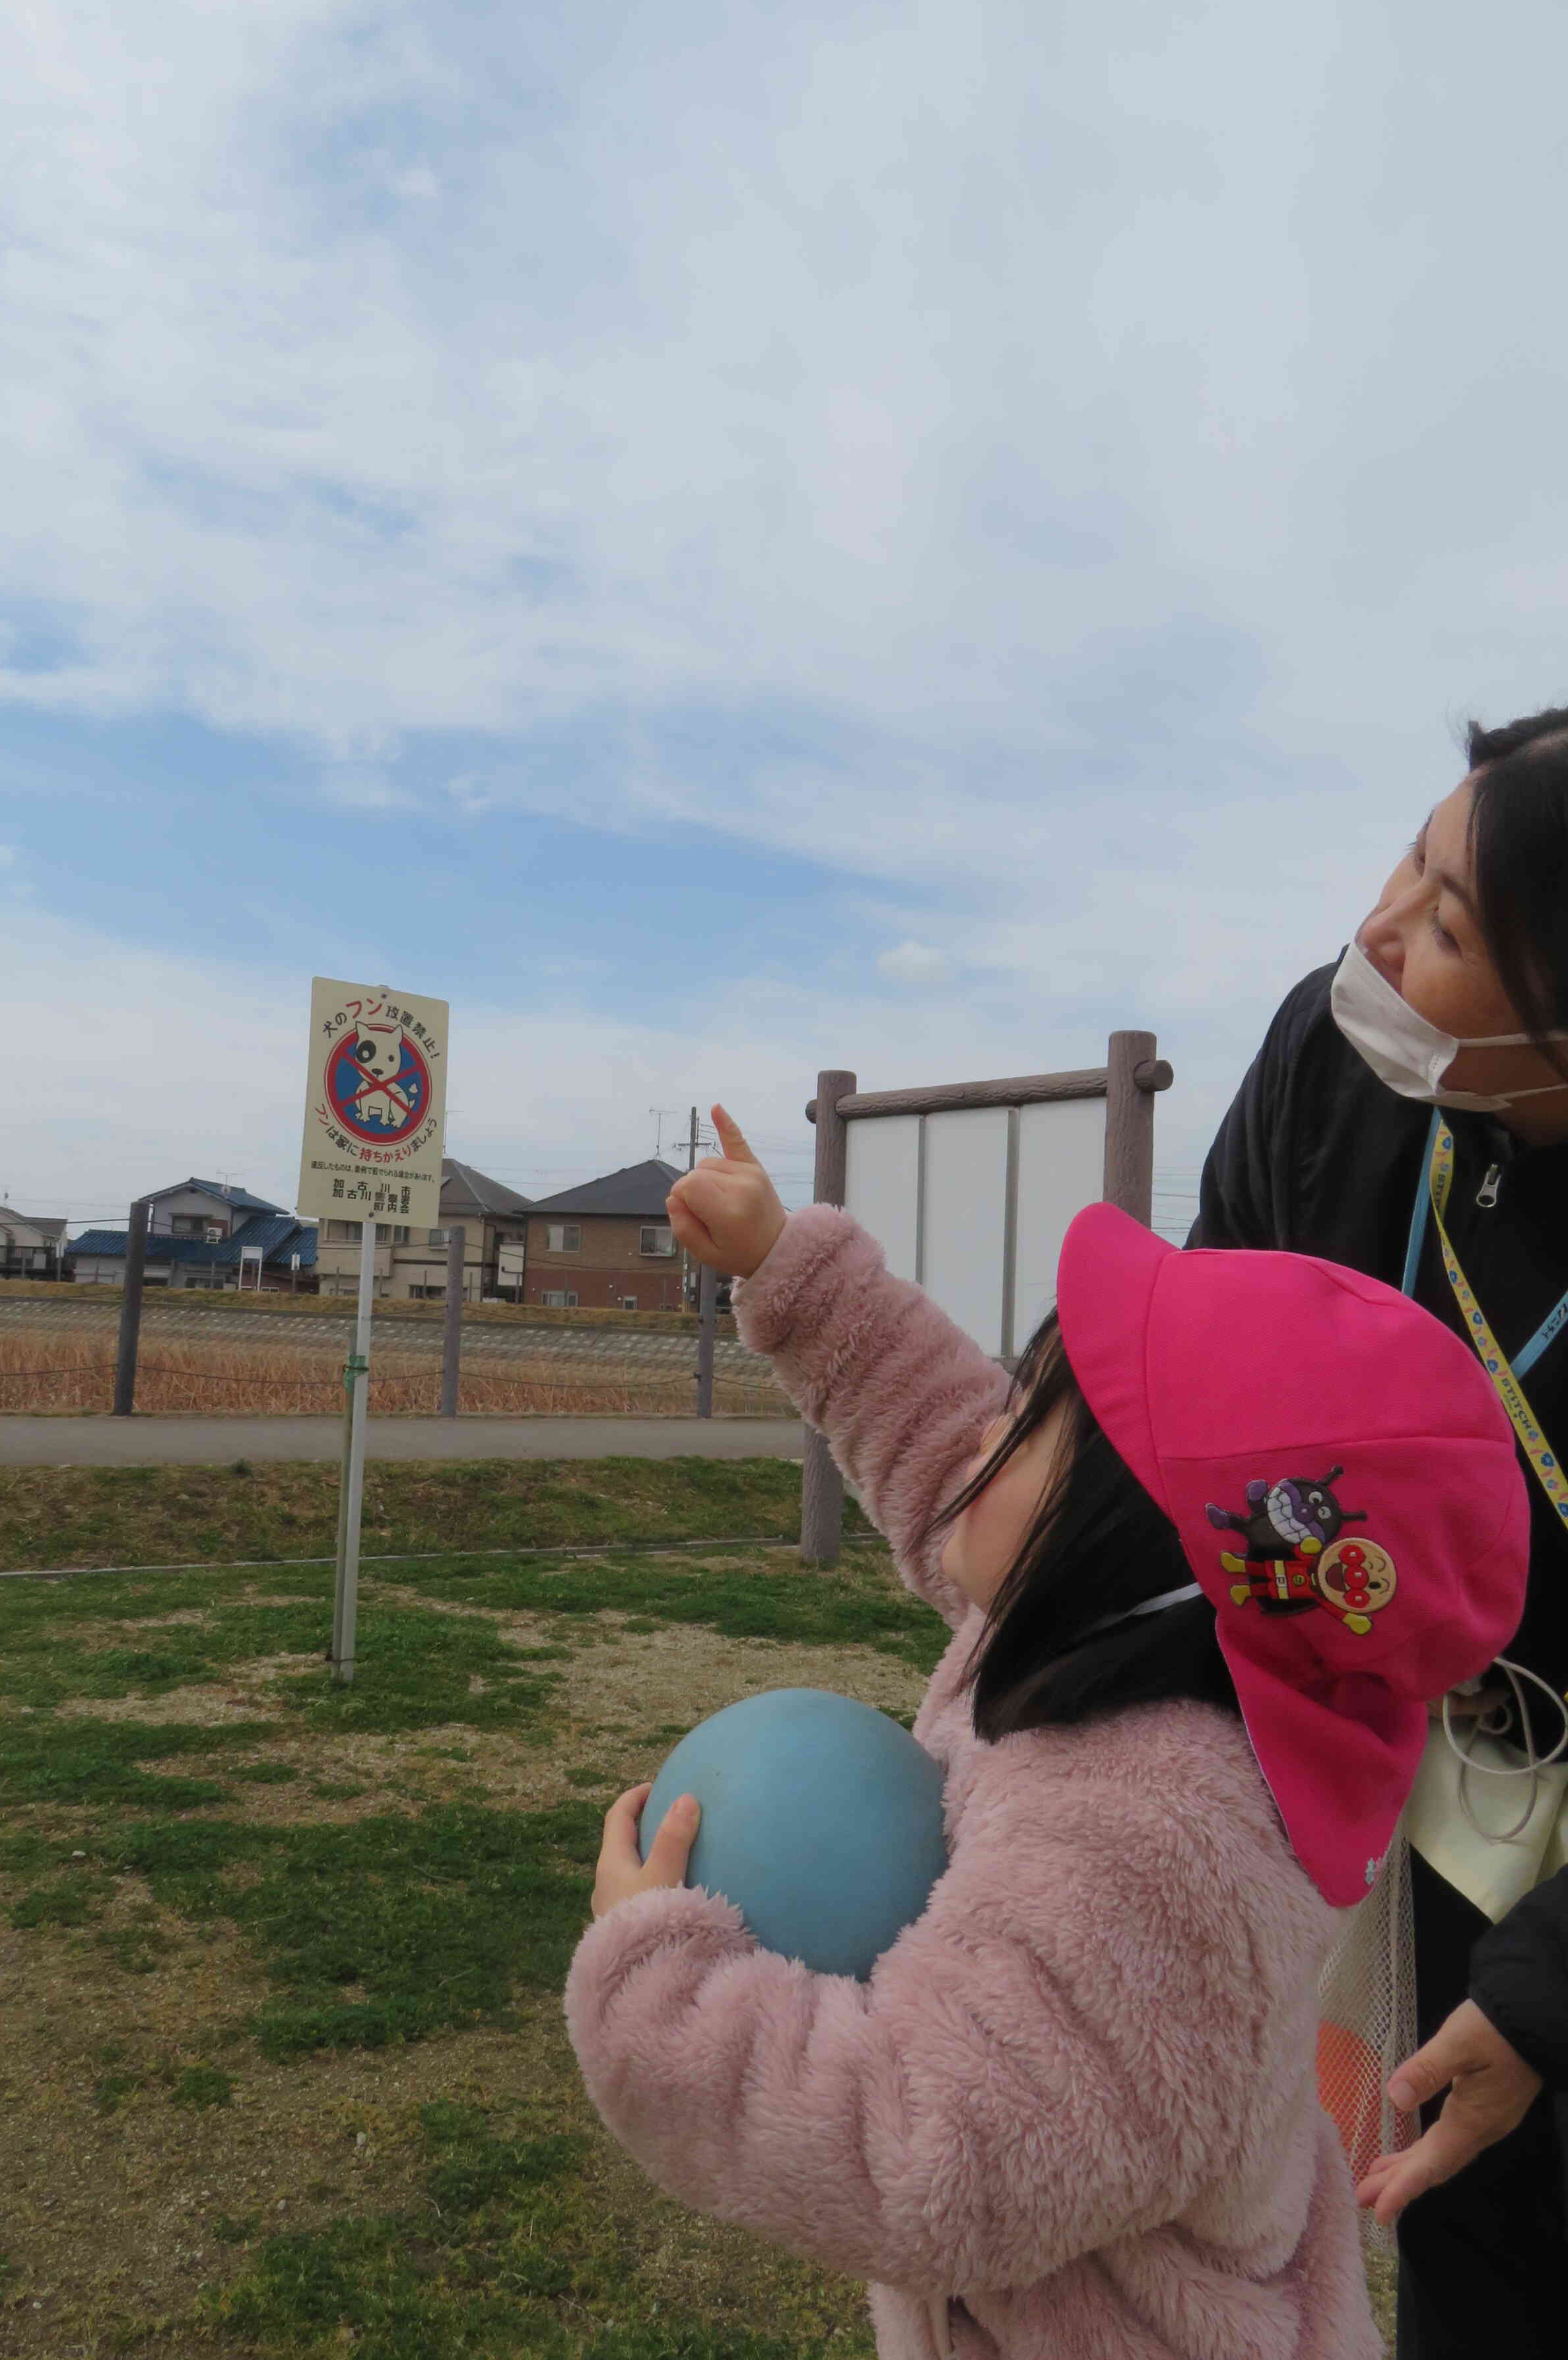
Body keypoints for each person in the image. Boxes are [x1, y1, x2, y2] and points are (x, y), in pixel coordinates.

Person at [564, 1109, 1528, 2360]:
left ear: (1151, 1547)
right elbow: (932, 1429)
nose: (981, 1426)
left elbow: (926, 2152)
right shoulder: (1129, 1645)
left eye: (1031, 1418)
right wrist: (782, 1268)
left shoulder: (1159, 1844)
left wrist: (660, 1984)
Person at [1188, 707, 1568, 2356]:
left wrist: (1555, 1988)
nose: (1376, 933)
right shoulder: (1337, 1064)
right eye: (1410, 862)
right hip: (1405, 1788)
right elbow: (1194, 1382)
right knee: (1447, 2240)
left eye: (1453, 927)